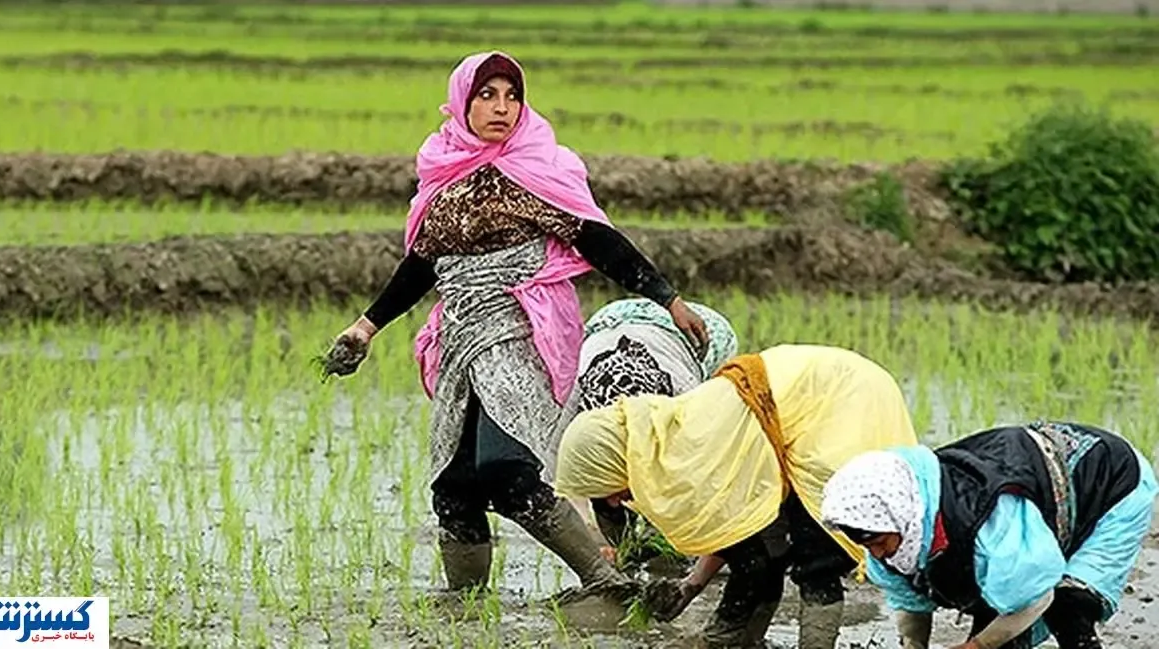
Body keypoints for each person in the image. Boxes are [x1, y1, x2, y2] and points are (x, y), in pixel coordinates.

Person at [325, 50, 709, 600]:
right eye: (486, 95)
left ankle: (604, 580)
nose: (501, 107)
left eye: (511, 96)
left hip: (518, 331)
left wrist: (666, 297)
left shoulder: (536, 171)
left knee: (506, 469)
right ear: (462, 104)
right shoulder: (444, 174)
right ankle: (465, 607)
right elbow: (420, 263)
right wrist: (364, 328)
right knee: (453, 485)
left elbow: (597, 238)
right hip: (459, 339)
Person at [554, 344, 919, 648]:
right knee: (773, 548)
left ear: (615, 461)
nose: (616, 502)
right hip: (807, 406)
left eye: (606, 489)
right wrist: (692, 585)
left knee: (816, 550)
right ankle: (748, 641)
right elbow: (739, 533)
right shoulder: (665, 444)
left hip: (840, 403)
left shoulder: (687, 452)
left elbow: (748, 554)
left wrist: (713, 638)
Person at [820, 421, 1158, 649]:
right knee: (992, 607)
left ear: (902, 517)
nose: (877, 554)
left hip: (1109, 479)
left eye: (879, 543)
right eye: (867, 545)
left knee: (1068, 603)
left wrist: (976, 646)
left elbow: (1035, 597)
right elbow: (911, 603)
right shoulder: (889, 528)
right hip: (1031, 492)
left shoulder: (987, 525)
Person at [555, 297, 740, 567]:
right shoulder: (573, 411)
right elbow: (562, 485)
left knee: (670, 487)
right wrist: (601, 549)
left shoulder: (686, 408)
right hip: (608, 324)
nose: (617, 502)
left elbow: (713, 483)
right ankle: (627, 551)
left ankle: (667, 555)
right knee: (605, 485)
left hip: (697, 334)